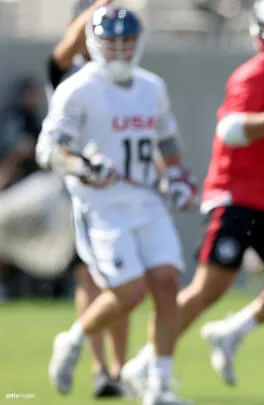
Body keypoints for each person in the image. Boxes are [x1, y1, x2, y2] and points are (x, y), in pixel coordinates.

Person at [121, 0, 264, 391]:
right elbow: (231, 130)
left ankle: (233, 330)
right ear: (259, 30)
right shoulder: (251, 77)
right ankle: (145, 362)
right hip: (237, 197)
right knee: (207, 290)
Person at [39, 5, 196, 405]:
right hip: (101, 204)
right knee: (129, 292)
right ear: (94, 44)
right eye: (112, 42)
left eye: (127, 42)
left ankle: (158, 387)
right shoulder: (77, 88)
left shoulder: (152, 87)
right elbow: (49, 149)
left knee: (165, 281)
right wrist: (83, 166)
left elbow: (166, 139)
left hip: (145, 198)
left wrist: (176, 175)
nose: (121, 50)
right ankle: (74, 340)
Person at [46, 0, 130, 397]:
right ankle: (100, 367)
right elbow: (60, 54)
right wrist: (98, 9)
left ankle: (119, 368)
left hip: (125, 190)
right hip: (84, 194)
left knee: (127, 280)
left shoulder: (124, 73)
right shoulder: (71, 75)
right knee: (91, 278)